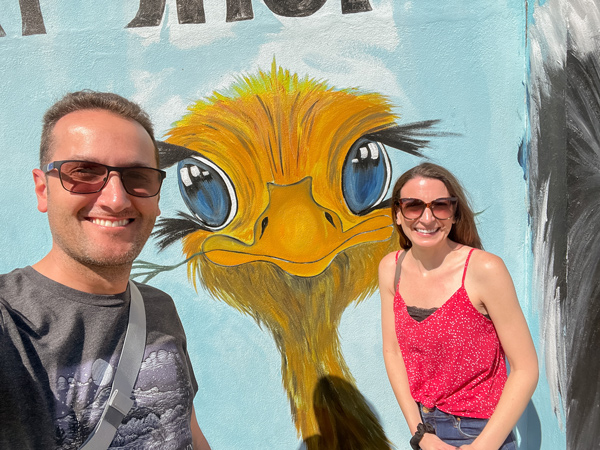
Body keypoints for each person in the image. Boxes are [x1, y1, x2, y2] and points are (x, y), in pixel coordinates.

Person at [0, 90, 211, 449]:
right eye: (83, 172)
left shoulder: (158, 308)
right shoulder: (11, 322)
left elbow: (183, 427)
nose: (116, 199)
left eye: (138, 177)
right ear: (42, 189)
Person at [379, 163, 538, 450]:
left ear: (453, 215)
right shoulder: (392, 268)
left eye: (440, 206)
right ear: (398, 215)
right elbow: (392, 351)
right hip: (425, 432)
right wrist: (419, 433)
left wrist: (482, 446)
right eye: (413, 206)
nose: (427, 218)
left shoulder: (484, 269)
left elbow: (526, 368)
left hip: (480, 434)